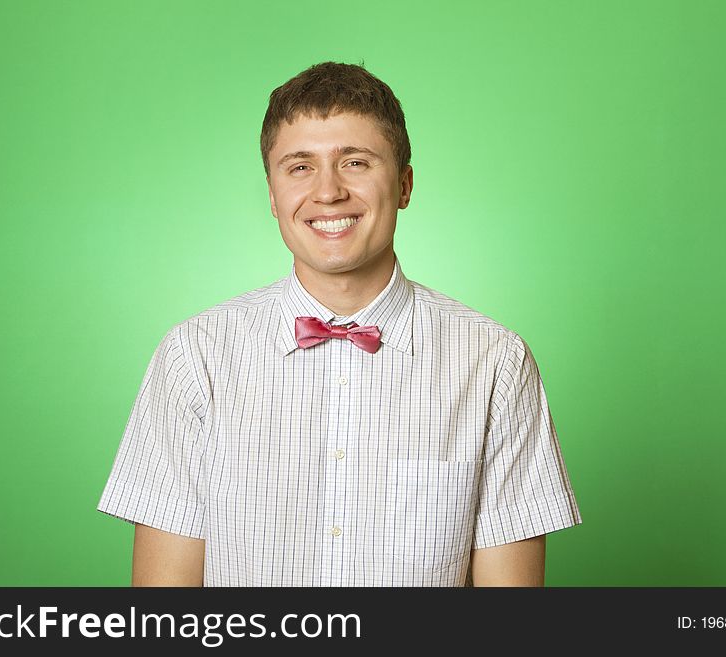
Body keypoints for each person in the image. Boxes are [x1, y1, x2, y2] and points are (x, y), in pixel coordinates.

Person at [97, 61, 582, 587]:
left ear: (404, 184)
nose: (328, 192)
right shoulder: (194, 357)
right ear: (272, 193)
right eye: (299, 167)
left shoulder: (496, 362)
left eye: (354, 162)